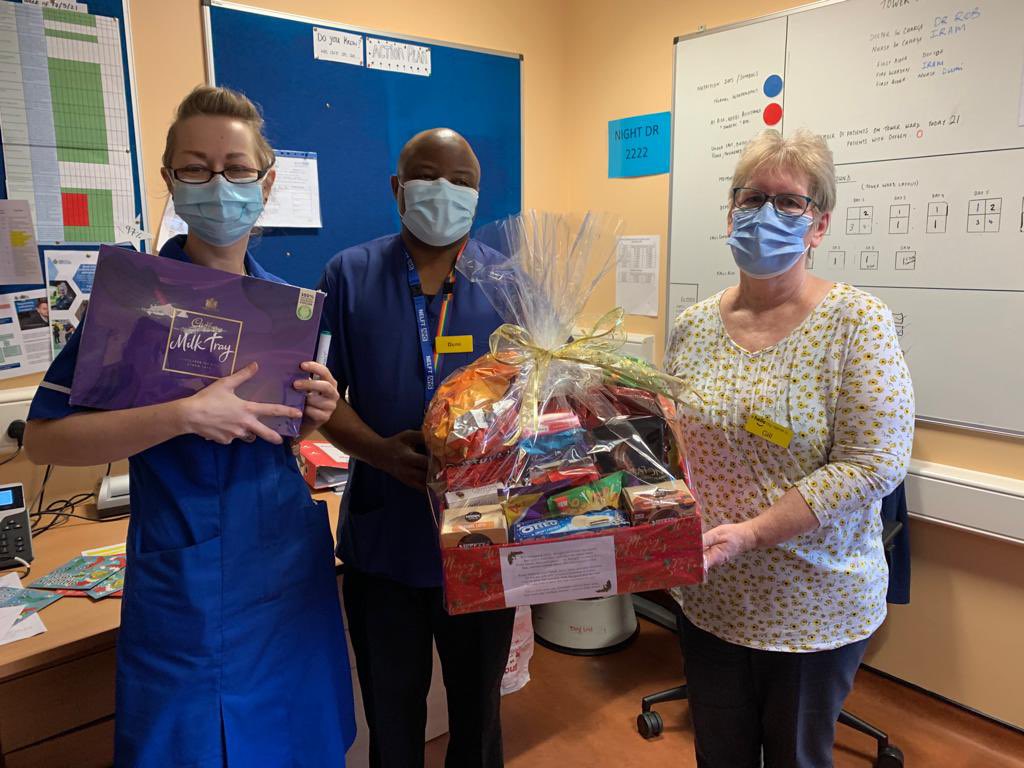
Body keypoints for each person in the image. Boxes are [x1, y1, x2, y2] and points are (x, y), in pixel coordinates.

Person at [24, 85, 355, 768]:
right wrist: (181, 415)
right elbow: (46, 439)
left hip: (288, 569)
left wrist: (313, 415)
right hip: (189, 583)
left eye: (236, 169)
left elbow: (280, 436)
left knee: (302, 743)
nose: (218, 185)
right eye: (196, 169)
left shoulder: (286, 313)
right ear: (170, 180)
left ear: (266, 183)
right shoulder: (131, 304)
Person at [664, 128, 915, 768]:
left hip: (813, 605)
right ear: (729, 212)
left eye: (790, 203)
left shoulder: (857, 322)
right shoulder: (693, 325)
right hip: (711, 593)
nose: (766, 216)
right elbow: (678, 433)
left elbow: (873, 463)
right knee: (718, 755)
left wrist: (751, 532)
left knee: (797, 759)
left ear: (819, 224)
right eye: (752, 199)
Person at [318, 128, 515, 768]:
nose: (446, 191)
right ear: (398, 189)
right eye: (429, 177)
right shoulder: (347, 276)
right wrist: (377, 451)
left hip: (483, 540)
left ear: (478, 197)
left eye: (462, 182)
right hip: (385, 542)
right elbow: (318, 396)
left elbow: (536, 402)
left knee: (478, 719)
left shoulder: (507, 283)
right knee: (392, 717)